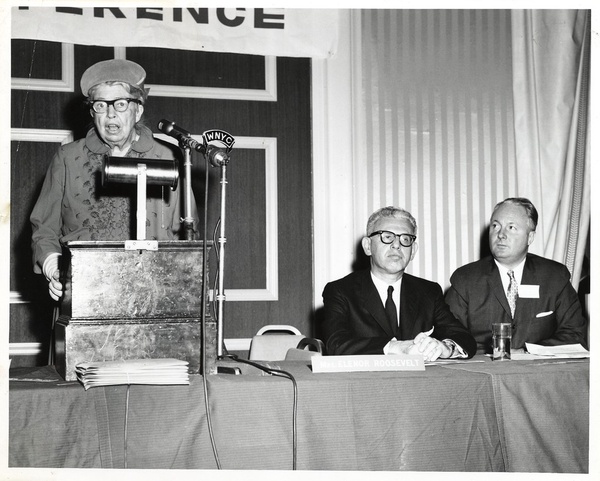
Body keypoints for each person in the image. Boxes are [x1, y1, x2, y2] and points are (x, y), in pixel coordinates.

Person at [30, 59, 198, 301]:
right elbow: (44, 229)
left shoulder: (168, 156)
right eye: (100, 105)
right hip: (84, 291)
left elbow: (188, 233)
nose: (110, 114)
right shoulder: (68, 158)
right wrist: (54, 268)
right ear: (92, 112)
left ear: (138, 110)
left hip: (155, 292)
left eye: (120, 104)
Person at [321, 206, 477, 360]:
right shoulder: (340, 291)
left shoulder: (429, 291)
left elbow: (464, 338)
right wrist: (395, 347)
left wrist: (446, 348)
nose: (397, 245)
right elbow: (336, 344)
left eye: (405, 239)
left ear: (413, 251)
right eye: (387, 237)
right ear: (367, 246)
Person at [445, 197, 587, 353]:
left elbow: (574, 334)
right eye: (495, 226)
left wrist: (528, 351)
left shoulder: (554, 276)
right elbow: (448, 336)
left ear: (530, 237)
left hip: (538, 365)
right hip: (484, 364)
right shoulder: (465, 279)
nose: (501, 234)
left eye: (511, 227)